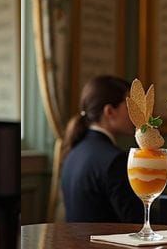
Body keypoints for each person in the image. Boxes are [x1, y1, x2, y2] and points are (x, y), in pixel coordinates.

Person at [59, 75, 142, 224]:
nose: (137, 114)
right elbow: (136, 223)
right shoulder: (115, 160)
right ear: (109, 111)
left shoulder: (73, 151)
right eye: (130, 106)